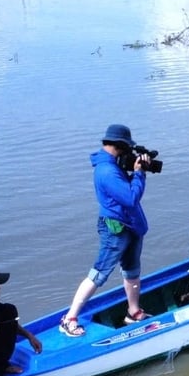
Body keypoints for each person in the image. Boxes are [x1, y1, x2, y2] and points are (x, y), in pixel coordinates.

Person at [61, 124, 152, 337]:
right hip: (115, 228)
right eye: (127, 148)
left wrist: (136, 172)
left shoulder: (113, 165)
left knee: (132, 270)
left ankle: (133, 311)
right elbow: (130, 198)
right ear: (120, 146)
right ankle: (70, 318)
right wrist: (139, 174)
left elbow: (124, 193)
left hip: (130, 225)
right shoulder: (107, 171)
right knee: (99, 273)